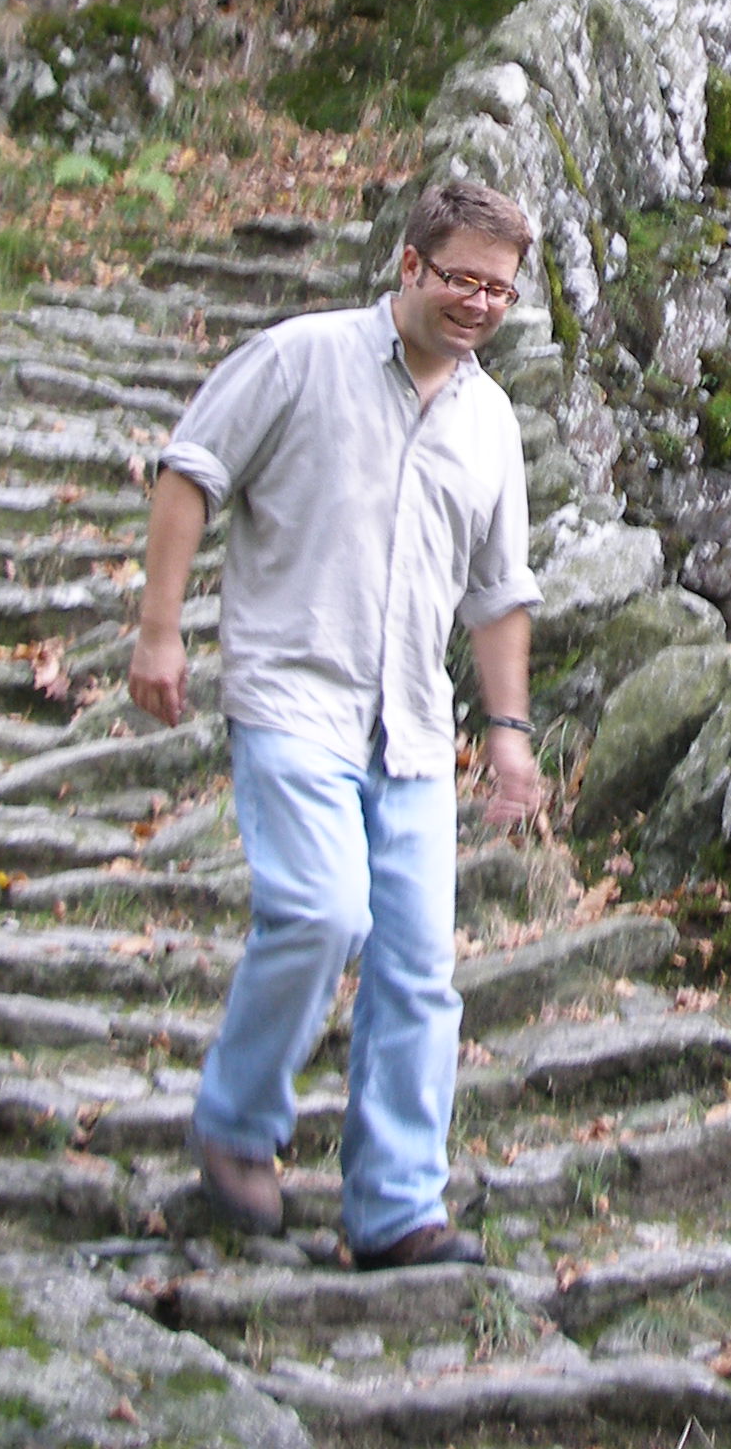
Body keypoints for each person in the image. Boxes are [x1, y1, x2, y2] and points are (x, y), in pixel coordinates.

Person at [125, 178, 547, 1270]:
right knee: (318, 909)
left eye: (499, 290)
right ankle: (235, 1125)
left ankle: (397, 1208)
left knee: (417, 972)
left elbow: (499, 594)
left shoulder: (491, 422)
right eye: (461, 279)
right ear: (409, 267)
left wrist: (508, 730)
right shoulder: (300, 358)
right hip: (292, 695)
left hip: (410, 726)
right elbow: (190, 472)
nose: (479, 305)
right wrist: (160, 632)